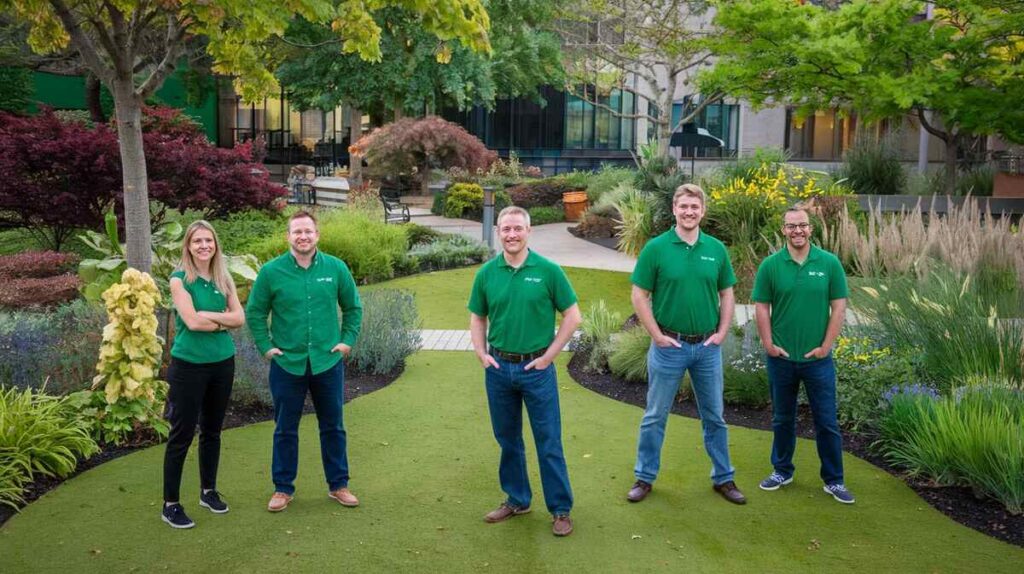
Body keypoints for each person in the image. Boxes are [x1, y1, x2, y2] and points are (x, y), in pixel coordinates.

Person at [626, 184, 747, 505]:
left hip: (707, 347)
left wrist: (722, 332)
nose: (689, 212)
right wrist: (656, 335)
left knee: (715, 417)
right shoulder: (656, 248)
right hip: (669, 347)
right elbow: (639, 295)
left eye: (695, 207)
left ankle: (724, 478)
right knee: (655, 415)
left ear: (702, 211)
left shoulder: (716, 249)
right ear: (675, 210)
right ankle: (644, 477)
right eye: (684, 207)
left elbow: (727, 293)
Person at [468, 206, 582, 537]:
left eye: (518, 228)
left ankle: (560, 509)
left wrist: (548, 357)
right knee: (508, 439)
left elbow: (573, 316)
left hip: (537, 370)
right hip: (499, 369)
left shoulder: (548, 271)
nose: (512, 234)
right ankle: (517, 499)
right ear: (498, 232)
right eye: (506, 229)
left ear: (529, 231)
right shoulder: (487, 274)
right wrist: (480, 352)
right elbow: (478, 317)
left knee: (548, 441)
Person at [245, 210, 363, 512]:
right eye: (297, 232)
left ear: (317, 235)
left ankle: (339, 485)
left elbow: (353, 308)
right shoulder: (271, 272)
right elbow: (255, 312)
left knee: (333, 426)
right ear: (288, 236)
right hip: (288, 363)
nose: (303, 236)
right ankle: (283, 488)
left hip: (327, 362)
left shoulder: (336, 268)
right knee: (285, 427)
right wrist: (265, 347)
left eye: (308, 231)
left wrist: (347, 340)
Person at [752, 207, 854, 504]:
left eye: (803, 226)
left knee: (826, 421)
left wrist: (826, 346)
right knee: (782, 418)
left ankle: (834, 480)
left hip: (818, 361)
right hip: (781, 358)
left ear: (811, 229)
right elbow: (761, 307)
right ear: (783, 230)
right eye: (791, 226)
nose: (797, 231)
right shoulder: (770, 266)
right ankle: (782, 470)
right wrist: (769, 344)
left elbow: (839, 307)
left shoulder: (829, 263)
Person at [162, 220, 245, 529]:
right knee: (181, 435)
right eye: (197, 241)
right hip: (188, 366)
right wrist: (224, 321)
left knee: (212, 431)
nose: (203, 246)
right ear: (188, 245)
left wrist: (210, 316)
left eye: (208, 240)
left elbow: (240, 318)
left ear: (215, 244)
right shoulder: (179, 279)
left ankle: (208, 491)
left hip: (223, 363)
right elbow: (192, 324)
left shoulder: (225, 278)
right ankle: (170, 504)